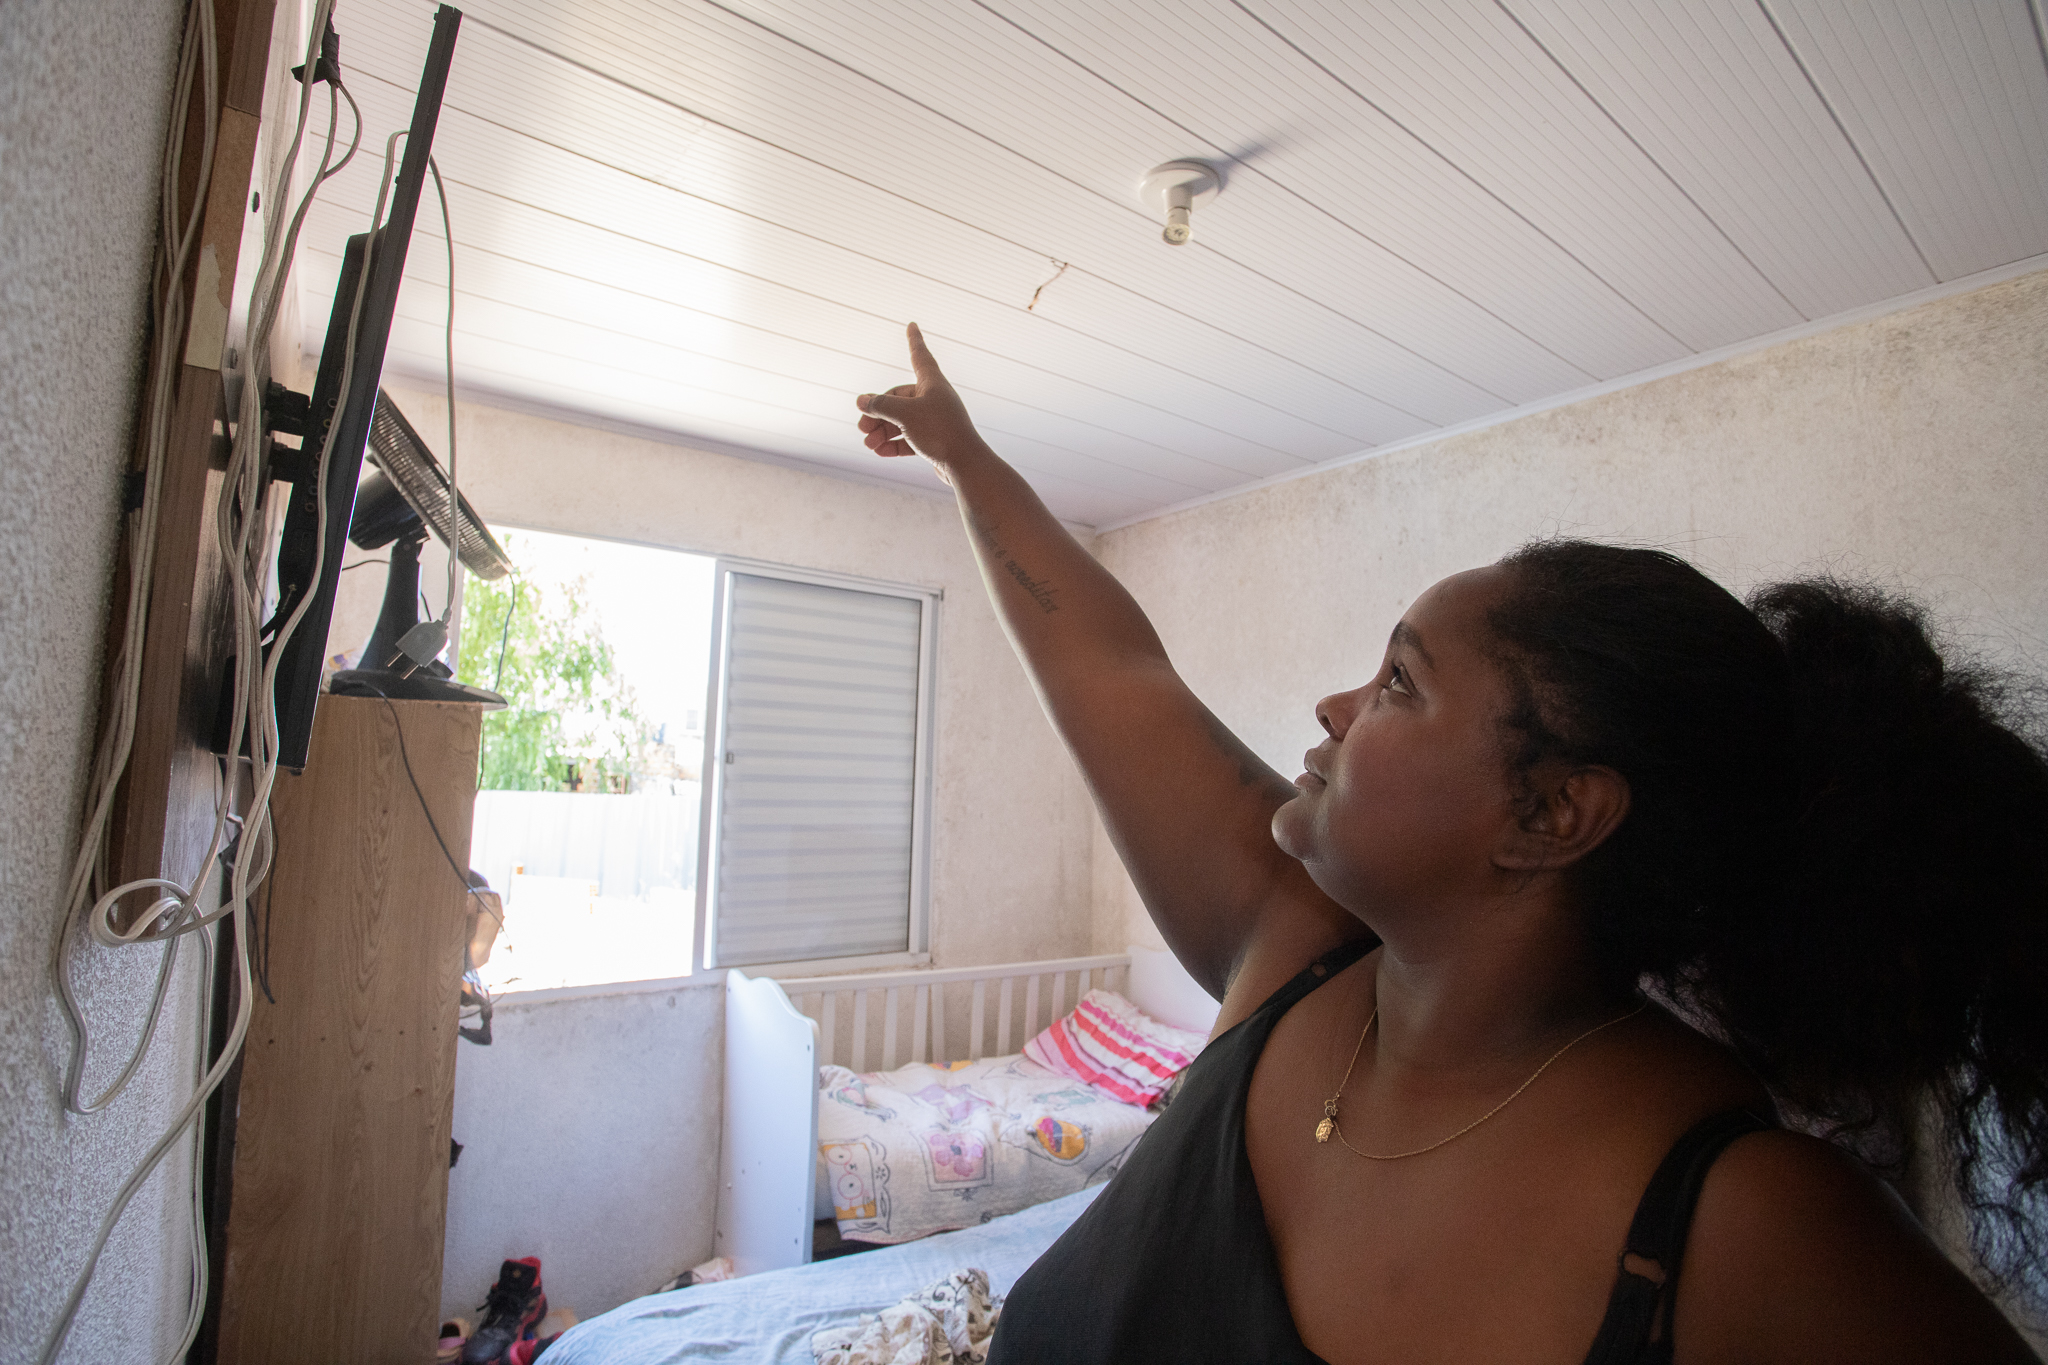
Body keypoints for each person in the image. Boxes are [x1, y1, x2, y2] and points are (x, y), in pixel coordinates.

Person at [853, 324, 2047, 1364]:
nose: (1334, 707)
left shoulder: (1740, 1220)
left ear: (1552, 813)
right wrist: (964, 457)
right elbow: (1111, 666)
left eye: (1399, 682)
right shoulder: (1292, 946)